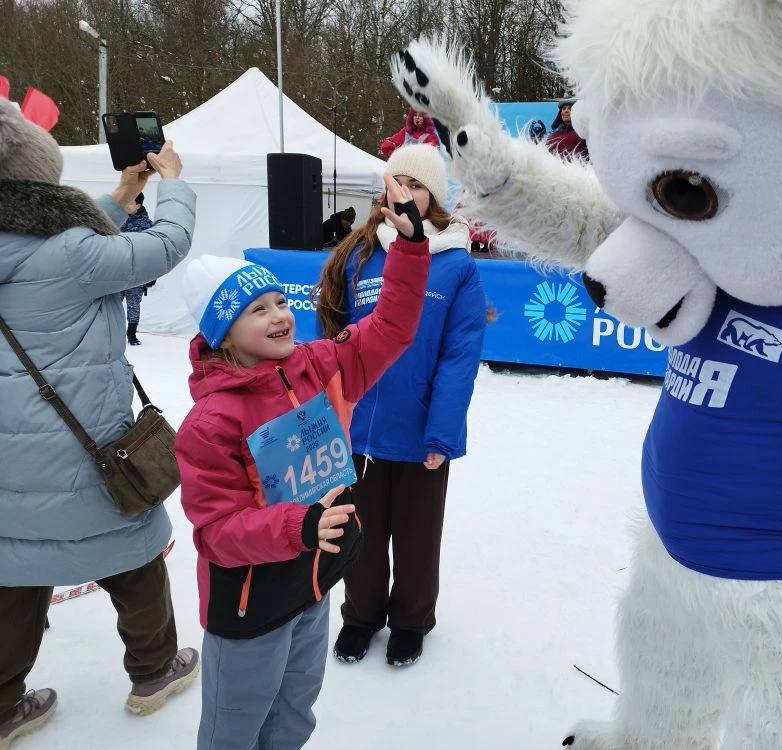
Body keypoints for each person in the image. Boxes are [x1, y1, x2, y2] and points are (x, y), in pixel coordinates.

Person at [174, 173, 430, 750]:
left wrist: (412, 251)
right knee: (235, 727)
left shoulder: (320, 365)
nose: (278, 315)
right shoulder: (211, 423)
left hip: (314, 583)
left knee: (295, 711)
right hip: (250, 603)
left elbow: (391, 328)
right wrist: (300, 525)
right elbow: (215, 533)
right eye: (255, 310)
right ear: (223, 335)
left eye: (279, 301)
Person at [0, 99, 198, 749]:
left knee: (16, 571)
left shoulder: (32, 244)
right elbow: (164, 246)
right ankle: (153, 673)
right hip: (86, 456)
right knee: (135, 556)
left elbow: (55, 246)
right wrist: (171, 181)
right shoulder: (75, 253)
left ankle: (3, 705)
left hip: (11, 463)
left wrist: (120, 194)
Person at [315, 144, 487, 667]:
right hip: (360, 428)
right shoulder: (360, 254)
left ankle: (411, 621)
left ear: (432, 197)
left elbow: (459, 357)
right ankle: (360, 616)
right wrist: (329, 414)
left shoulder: (457, 265)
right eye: (395, 183)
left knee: (416, 537)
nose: (403, 194)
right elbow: (336, 339)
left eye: (414, 186)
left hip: (420, 433)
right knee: (357, 530)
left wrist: (441, 433)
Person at [121, 192, 154, 345]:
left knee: (133, 304)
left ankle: (132, 334)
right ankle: (112, 332)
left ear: (138, 205)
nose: (127, 205)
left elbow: (152, 253)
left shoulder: (147, 225)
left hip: (137, 274)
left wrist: (151, 275)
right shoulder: (117, 220)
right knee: (112, 303)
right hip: (117, 270)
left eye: (131, 202)